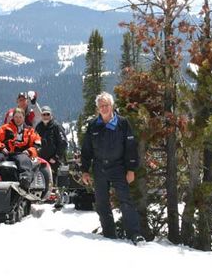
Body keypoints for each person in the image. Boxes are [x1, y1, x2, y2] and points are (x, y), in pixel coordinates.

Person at [80, 92, 144, 244]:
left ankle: (134, 234)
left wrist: (131, 170)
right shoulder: (93, 125)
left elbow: (130, 147)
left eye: (106, 105)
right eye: (101, 106)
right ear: (97, 108)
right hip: (99, 168)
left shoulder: (122, 123)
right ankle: (109, 235)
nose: (104, 108)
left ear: (112, 106)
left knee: (125, 201)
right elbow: (86, 150)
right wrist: (84, 170)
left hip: (118, 168)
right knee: (102, 203)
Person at [0, 107, 42, 190]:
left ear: (24, 118)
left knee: (24, 160)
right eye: (16, 117)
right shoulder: (5, 128)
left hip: (21, 153)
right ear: (13, 117)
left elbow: (37, 144)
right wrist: (1, 148)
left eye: (20, 117)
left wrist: (29, 151)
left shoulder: (30, 130)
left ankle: (25, 181)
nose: (18, 119)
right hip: (6, 153)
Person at [35, 105, 68, 181]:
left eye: (47, 114)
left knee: (54, 183)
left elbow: (63, 143)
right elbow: (35, 141)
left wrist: (56, 157)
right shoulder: (38, 127)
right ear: (41, 115)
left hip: (54, 162)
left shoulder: (57, 126)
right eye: (44, 114)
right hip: (41, 161)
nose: (46, 116)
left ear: (51, 115)